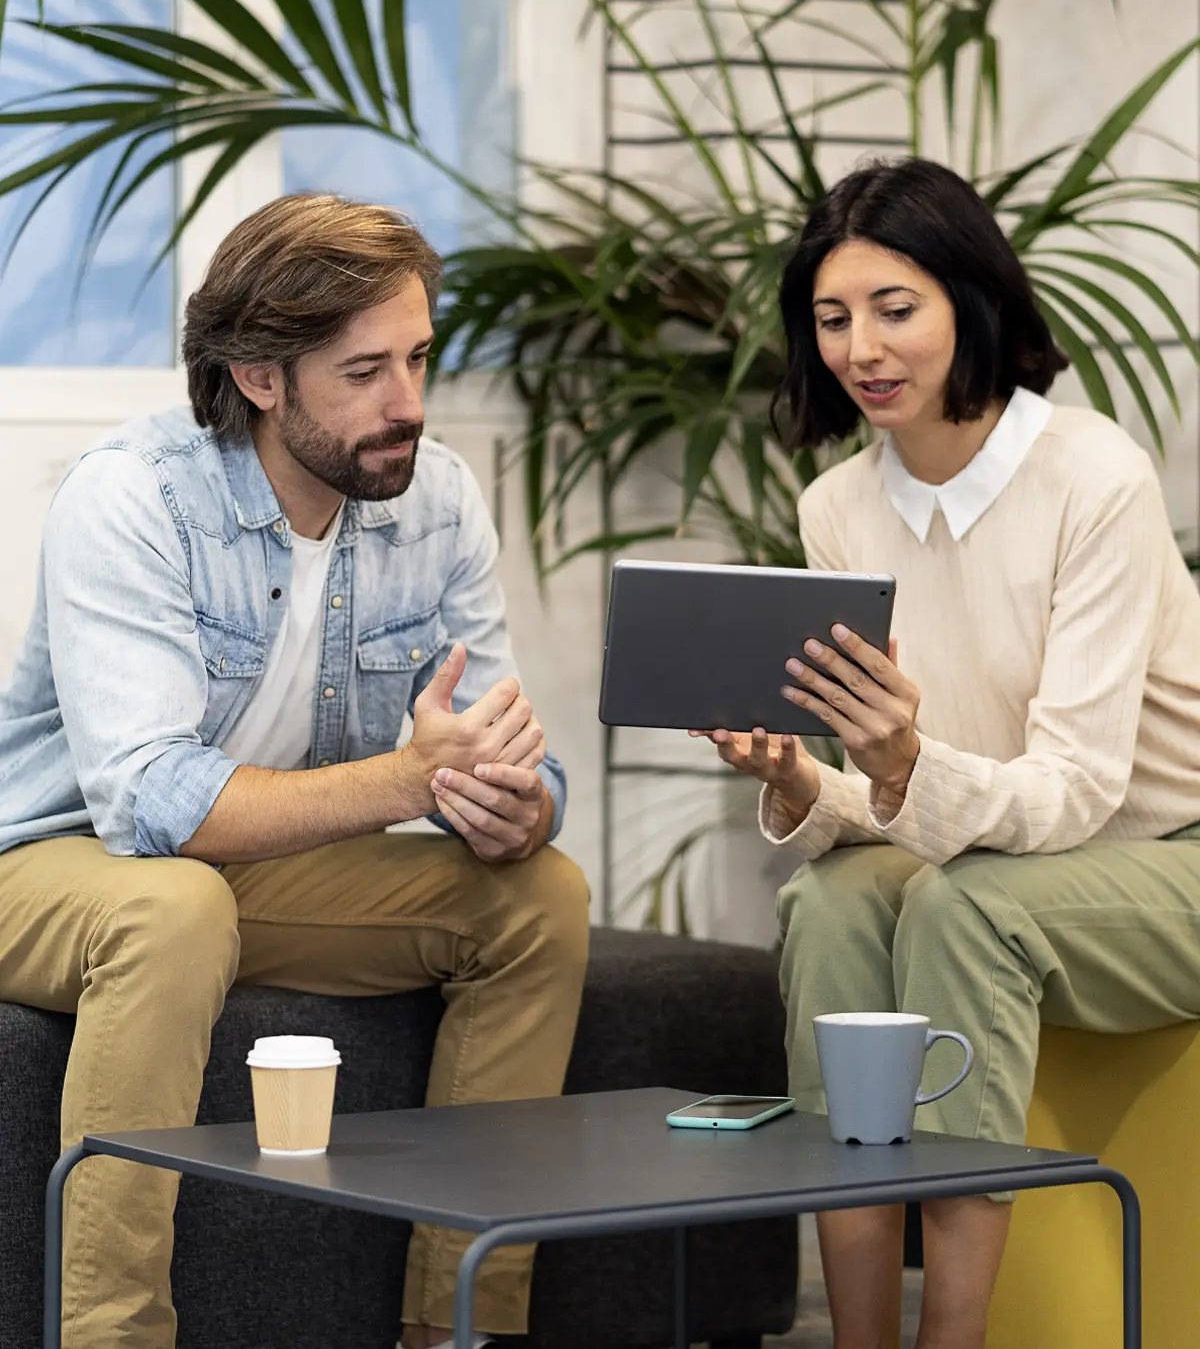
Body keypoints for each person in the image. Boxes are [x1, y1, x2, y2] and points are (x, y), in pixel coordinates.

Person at [0, 194, 590, 1349]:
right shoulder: (133, 495)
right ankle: (112, 1337)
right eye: (364, 371)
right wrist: (412, 781)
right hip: (51, 861)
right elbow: (150, 803)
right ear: (261, 377)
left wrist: (513, 806)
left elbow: (515, 753)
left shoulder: (436, 500)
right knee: (171, 908)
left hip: (255, 871)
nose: (407, 403)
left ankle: (460, 1324)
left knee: (539, 899)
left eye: (418, 358)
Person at [694, 156, 1200, 1349]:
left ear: (971, 302)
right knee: (828, 904)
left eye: (894, 308)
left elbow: (1076, 790)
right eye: (832, 318)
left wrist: (906, 760)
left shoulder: (1095, 478)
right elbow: (906, 801)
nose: (861, 348)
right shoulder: (839, 507)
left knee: (965, 910)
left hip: (1167, 860)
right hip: (997, 857)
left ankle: (949, 1341)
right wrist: (802, 780)